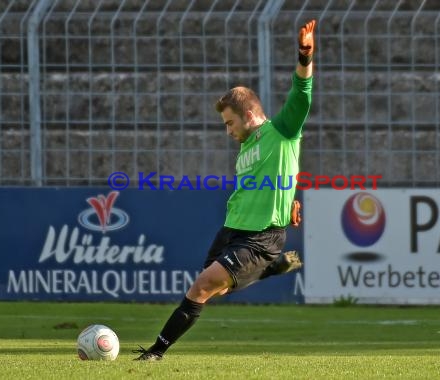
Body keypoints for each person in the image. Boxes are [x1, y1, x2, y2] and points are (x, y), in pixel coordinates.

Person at [134, 19, 316, 361]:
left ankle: (156, 352)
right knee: (209, 288)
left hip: (260, 235)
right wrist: (287, 198)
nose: (228, 130)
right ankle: (270, 269)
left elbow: (302, 96)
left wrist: (304, 57)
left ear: (249, 114)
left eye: (230, 122)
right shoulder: (247, 147)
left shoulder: (282, 130)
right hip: (232, 229)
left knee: (201, 287)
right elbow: (274, 177)